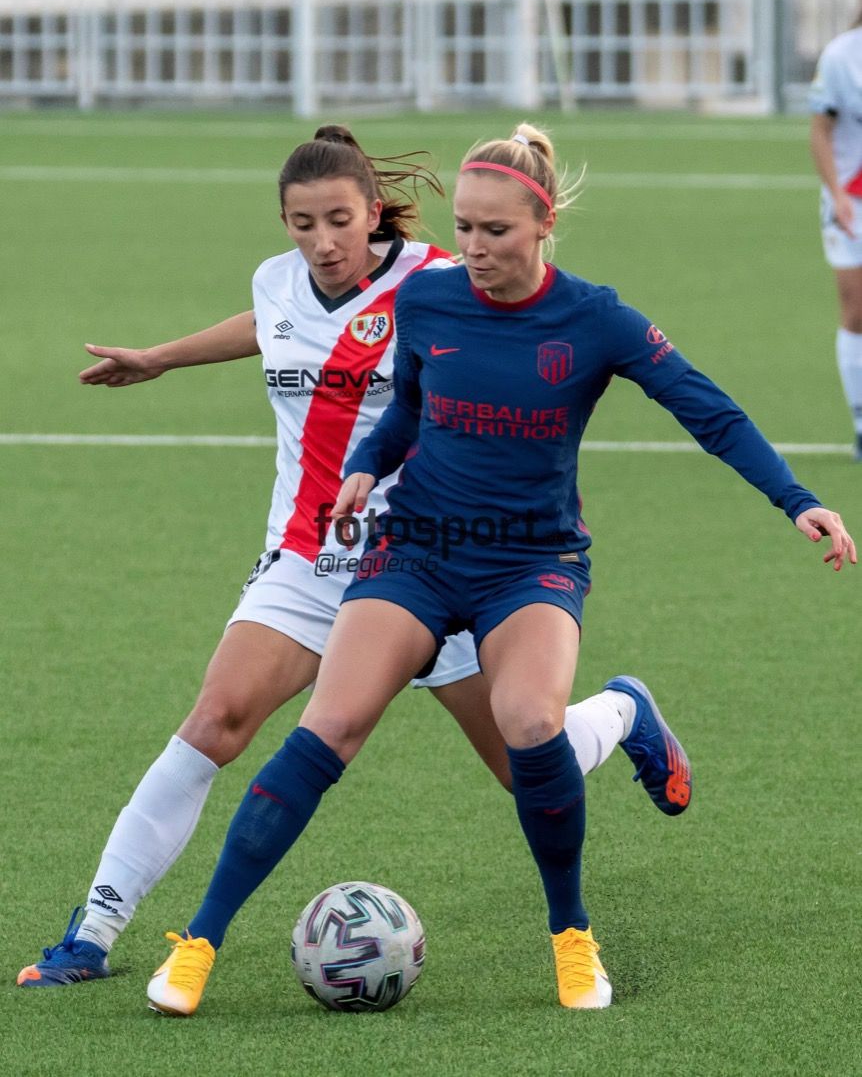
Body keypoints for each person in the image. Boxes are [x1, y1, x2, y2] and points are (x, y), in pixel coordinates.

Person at [143, 123, 855, 1017]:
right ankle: (199, 945)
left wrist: (797, 500)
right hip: (415, 550)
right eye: (465, 228)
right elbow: (407, 410)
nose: (474, 248)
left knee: (530, 724)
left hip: (529, 562)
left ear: (544, 225)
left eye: (496, 231)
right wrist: (366, 464)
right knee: (332, 723)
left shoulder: (597, 318)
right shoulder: (429, 301)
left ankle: (571, 935)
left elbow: (709, 412)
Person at [17, 126, 685, 990]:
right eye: (303, 224)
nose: (323, 242)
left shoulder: (441, 281)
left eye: (339, 220)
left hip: (433, 561)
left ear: (374, 212)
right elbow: (273, 327)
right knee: (215, 720)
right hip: (307, 558)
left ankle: (624, 712)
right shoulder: (277, 281)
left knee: (526, 761)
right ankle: (94, 931)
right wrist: (161, 358)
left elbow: (528, 322)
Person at [809, 0, 862, 461]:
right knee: (857, 310)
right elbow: (821, 130)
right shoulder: (842, 55)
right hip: (852, 201)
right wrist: (837, 194)